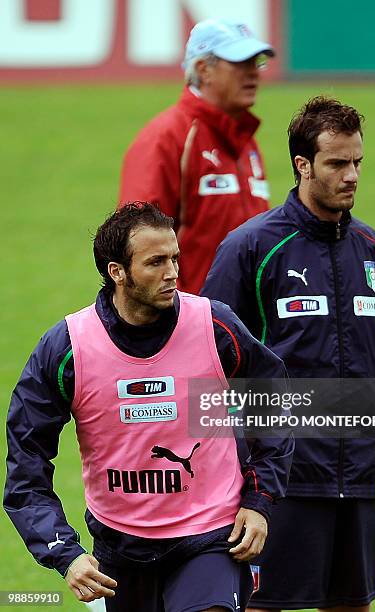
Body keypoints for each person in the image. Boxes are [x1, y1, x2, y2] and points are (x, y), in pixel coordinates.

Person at [4, 203, 294, 611]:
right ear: (117, 272)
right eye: (155, 262)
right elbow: (26, 462)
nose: (173, 271)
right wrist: (64, 553)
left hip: (210, 536)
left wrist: (259, 500)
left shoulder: (215, 326)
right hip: (120, 548)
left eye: (175, 258)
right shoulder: (68, 348)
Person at [202, 97, 375, 611]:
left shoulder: (371, 248)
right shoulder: (250, 249)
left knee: (352, 603)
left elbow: (374, 352)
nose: (351, 176)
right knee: (265, 605)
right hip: (280, 479)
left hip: (357, 473)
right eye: (336, 163)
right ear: (303, 165)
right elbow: (209, 363)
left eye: (357, 162)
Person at [119, 18, 274, 295]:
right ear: (203, 69)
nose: (254, 73)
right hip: (190, 321)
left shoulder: (246, 142)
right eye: (240, 63)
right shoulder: (166, 138)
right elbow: (136, 242)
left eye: (256, 62)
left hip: (247, 325)